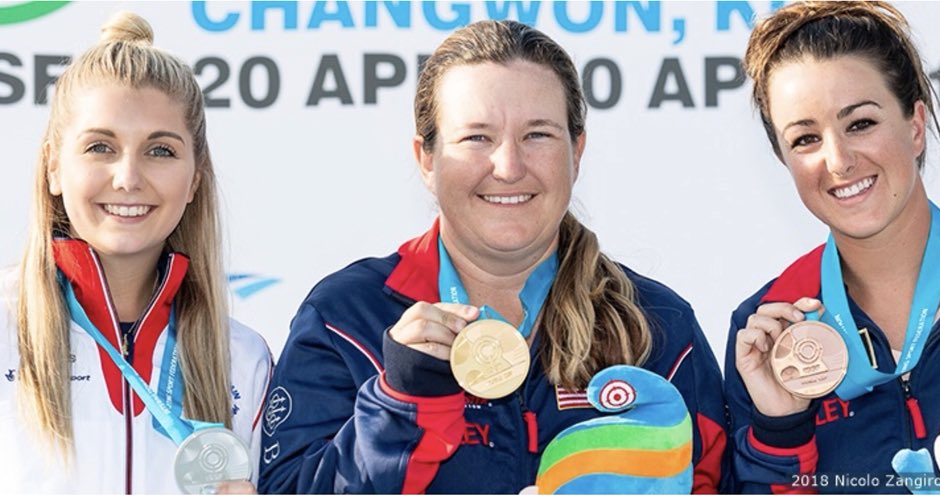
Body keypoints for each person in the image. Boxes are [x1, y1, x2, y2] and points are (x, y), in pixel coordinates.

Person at [258, 19, 728, 494]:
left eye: (537, 135)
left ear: (576, 151)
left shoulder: (659, 325)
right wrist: (398, 404)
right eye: (476, 138)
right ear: (427, 159)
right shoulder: (346, 318)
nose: (508, 167)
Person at [725, 1, 940, 493]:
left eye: (860, 123)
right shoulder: (771, 334)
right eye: (805, 139)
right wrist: (781, 431)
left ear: (916, 125)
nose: (838, 160)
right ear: (784, 160)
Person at [0, 11, 272, 494]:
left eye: (160, 151)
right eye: (100, 147)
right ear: (53, 167)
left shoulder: (242, 359)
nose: (128, 178)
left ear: (195, 179)